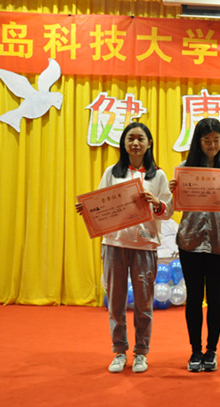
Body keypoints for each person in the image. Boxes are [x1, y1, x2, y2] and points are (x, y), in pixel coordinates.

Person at [76, 122, 173, 374]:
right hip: (114, 244)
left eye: (141, 139)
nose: (135, 143)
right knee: (116, 301)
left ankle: (141, 352)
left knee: (143, 303)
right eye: (130, 138)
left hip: (145, 245)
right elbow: (99, 204)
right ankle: (119, 351)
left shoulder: (158, 175)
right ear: (124, 143)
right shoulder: (112, 172)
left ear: (149, 143)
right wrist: (88, 209)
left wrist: (157, 203)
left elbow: (168, 211)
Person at [169, 118, 220, 373]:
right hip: (190, 240)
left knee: (215, 297)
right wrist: (173, 191)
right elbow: (175, 206)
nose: (212, 145)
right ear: (198, 142)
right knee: (193, 297)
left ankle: (211, 350)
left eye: (216, 140)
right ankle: (195, 351)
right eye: (206, 140)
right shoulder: (185, 168)